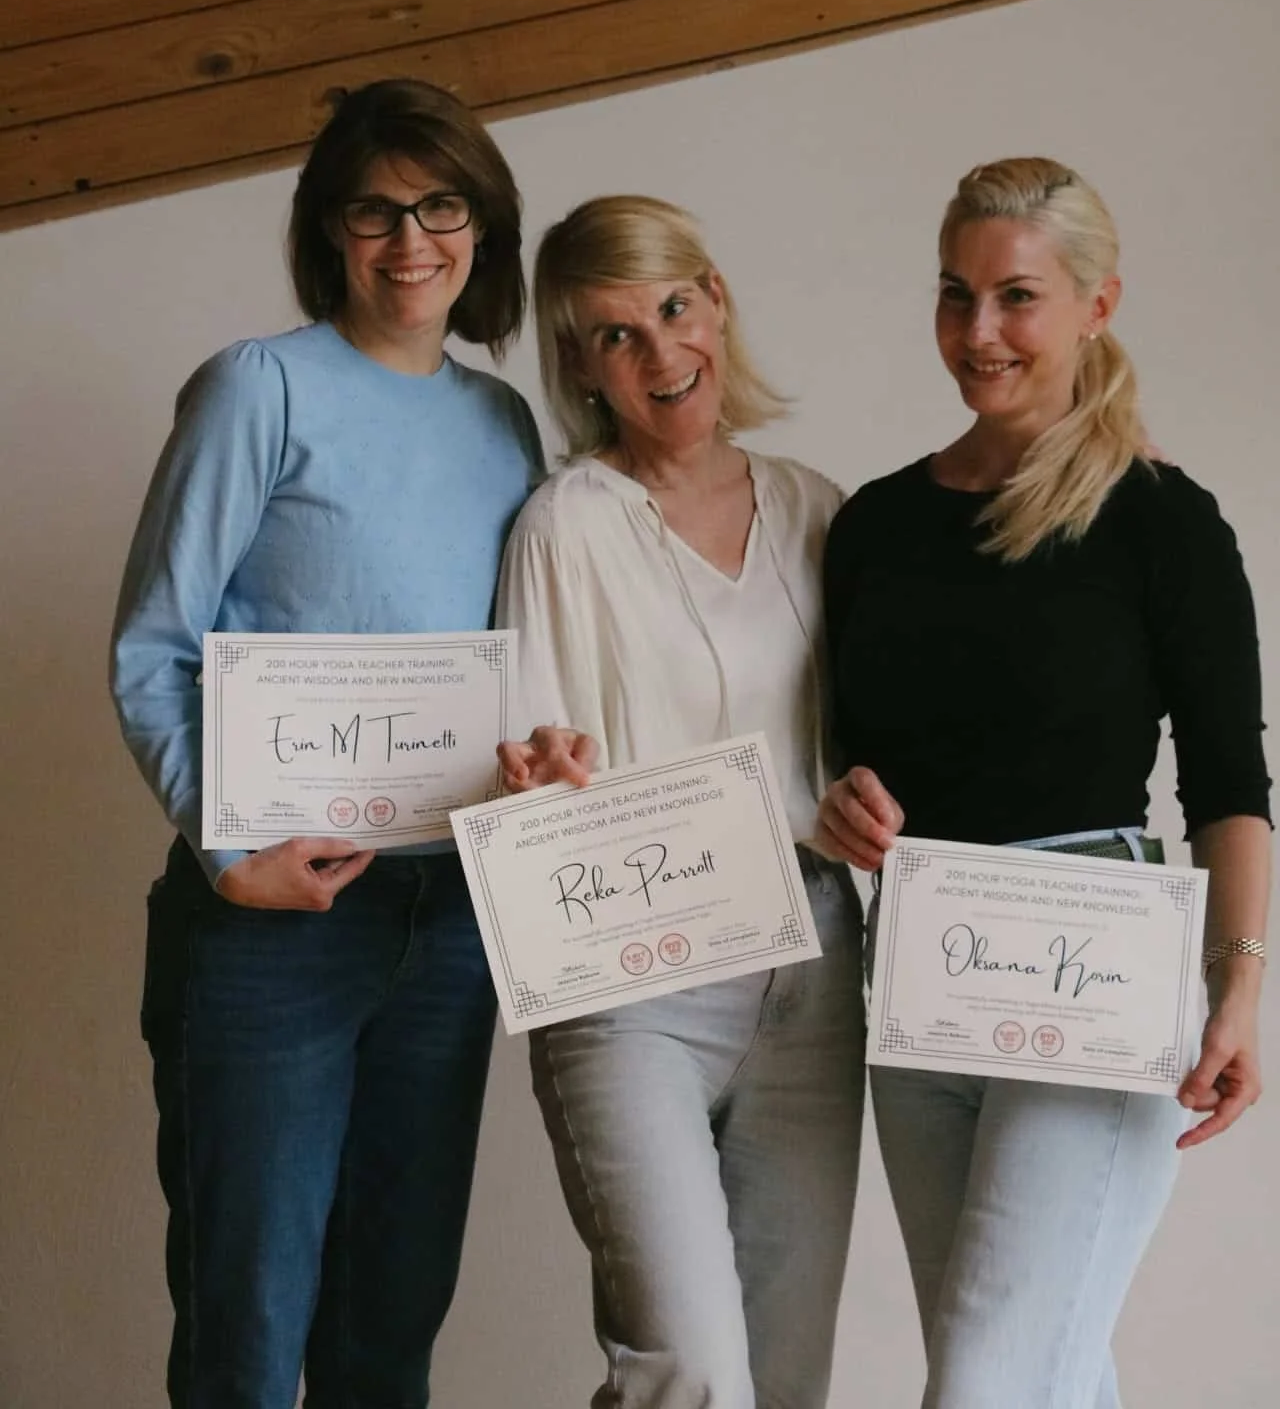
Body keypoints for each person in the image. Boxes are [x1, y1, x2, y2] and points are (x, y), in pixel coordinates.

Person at [110, 79, 546, 1409]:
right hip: (271, 920)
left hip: (448, 921)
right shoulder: (260, 387)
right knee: (248, 1327)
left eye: (441, 206)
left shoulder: (505, 425)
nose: (411, 240)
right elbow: (152, 642)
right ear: (328, 233)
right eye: (374, 212)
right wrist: (231, 851)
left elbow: (501, 665)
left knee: (390, 1323)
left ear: (483, 229)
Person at [818, 156, 1271, 1409]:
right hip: (915, 971)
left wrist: (1235, 987)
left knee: (983, 1378)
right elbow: (842, 757)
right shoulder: (874, 526)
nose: (978, 332)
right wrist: (843, 802)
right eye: (955, 295)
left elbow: (1231, 783)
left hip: (1099, 968)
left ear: (1094, 304)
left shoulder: (1160, 520)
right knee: (1038, 1372)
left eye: (1015, 297)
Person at [496, 194, 865, 1409]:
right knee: (690, 1374)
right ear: (577, 364)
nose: (660, 355)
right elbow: (527, 767)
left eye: (672, 308)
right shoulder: (563, 527)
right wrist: (536, 773)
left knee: (784, 1372)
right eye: (614, 335)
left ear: (715, 299)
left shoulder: (819, 510)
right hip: (632, 981)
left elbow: (913, 717)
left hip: (813, 966)